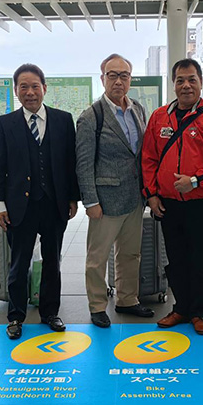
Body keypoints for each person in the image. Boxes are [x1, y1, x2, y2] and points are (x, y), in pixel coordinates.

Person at [141, 58, 203, 336]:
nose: (186, 85)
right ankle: (180, 307)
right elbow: (148, 158)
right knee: (176, 258)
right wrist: (151, 195)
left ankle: (198, 313)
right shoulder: (159, 117)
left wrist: (195, 181)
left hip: (200, 203)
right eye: (180, 80)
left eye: (192, 79)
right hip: (168, 204)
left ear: (201, 82)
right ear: (173, 84)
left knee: (199, 259)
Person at [0, 63, 80, 340]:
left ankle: (50, 312)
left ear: (44, 88)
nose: (30, 92)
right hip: (20, 206)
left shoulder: (63, 120)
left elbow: (70, 163)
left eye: (35, 86)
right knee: (19, 263)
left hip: (54, 204)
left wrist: (73, 197)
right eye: (24, 87)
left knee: (52, 262)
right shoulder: (5, 124)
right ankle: (16, 316)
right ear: (16, 90)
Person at [76, 54, 151, 328]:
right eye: (112, 75)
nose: (119, 81)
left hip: (134, 197)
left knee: (130, 253)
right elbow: (83, 164)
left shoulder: (138, 110)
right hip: (105, 201)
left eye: (124, 75)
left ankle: (127, 299)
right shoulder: (91, 116)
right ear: (102, 79)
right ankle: (97, 306)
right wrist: (90, 201)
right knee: (97, 258)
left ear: (130, 79)